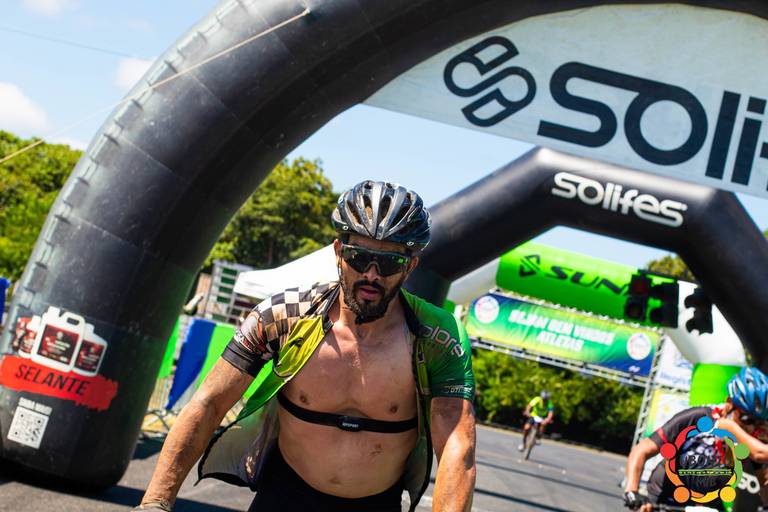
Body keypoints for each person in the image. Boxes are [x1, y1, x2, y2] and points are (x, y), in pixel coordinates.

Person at [136, 180, 477, 512]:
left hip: (376, 503)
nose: (372, 274)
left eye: (389, 263)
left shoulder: (437, 336)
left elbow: (456, 446)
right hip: (284, 495)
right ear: (339, 252)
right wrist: (155, 502)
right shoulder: (283, 315)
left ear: (410, 266)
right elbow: (210, 403)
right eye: (359, 257)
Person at [623, 367, 768, 511]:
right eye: (746, 418)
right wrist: (632, 492)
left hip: (705, 502)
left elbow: (763, 479)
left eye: (758, 422)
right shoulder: (699, 417)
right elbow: (642, 449)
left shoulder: (752, 438)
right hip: (665, 495)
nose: (751, 428)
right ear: (729, 403)